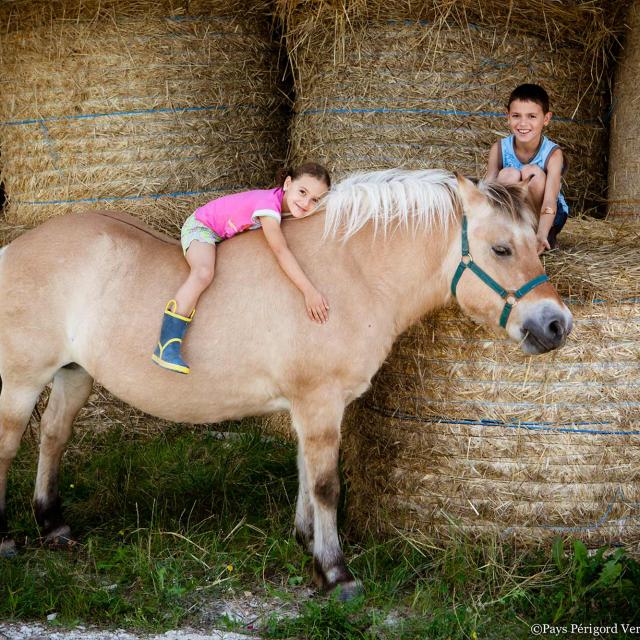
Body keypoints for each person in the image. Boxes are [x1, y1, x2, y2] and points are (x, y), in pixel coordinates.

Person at [152, 162, 331, 374]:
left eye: (314, 200)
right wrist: (309, 291)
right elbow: (281, 251)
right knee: (203, 273)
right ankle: (166, 345)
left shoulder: (284, 204)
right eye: (302, 192)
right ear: (288, 183)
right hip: (203, 227)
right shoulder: (268, 205)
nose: (305, 202)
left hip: (226, 234)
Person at [485, 83, 568, 254]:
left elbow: (550, 200)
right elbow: (487, 192)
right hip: (513, 217)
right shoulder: (499, 149)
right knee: (508, 174)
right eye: (516, 115)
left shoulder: (553, 154)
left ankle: (539, 237)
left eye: (531, 116)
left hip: (547, 217)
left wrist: (542, 233)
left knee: (532, 173)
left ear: (546, 119)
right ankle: (509, 233)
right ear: (507, 116)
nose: (523, 123)